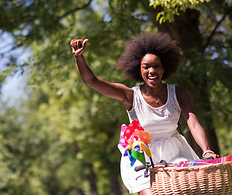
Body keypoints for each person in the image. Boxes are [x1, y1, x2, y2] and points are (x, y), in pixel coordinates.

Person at [70, 32, 218, 195]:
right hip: (142, 158)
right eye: (146, 67)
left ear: (164, 68)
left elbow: (193, 123)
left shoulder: (179, 93)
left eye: (156, 66)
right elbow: (92, 81)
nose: (151, 71)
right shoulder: (130, 96)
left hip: (175, 153)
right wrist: (79, 57)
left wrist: (206, 150)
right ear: (139, 70)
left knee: (185, 190)